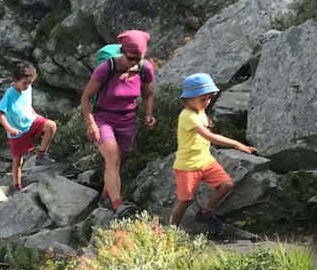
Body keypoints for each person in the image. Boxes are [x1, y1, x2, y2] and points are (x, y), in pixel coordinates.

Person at [80, 30, 157, 217]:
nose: (134, 63)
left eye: (138, 58)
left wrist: (148, 114)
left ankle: (105, 197)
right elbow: (86, 97)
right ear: (123, 51)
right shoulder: (107, 68)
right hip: (103, 118)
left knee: (119, 162)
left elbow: (148, 95)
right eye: (131, 58)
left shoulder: (145, 68)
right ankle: (118, 205)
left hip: (128, 120)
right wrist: (90, 123)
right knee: (112, 158)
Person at [170, 73, 256, 234]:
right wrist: (236, 143)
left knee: (227, 185)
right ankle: (171, 231)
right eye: (203, 99)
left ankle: (206, 213)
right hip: (187, 166)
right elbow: (209, 136)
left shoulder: (200, 110)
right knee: (185, 201)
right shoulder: (187, 115)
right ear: (189, 99)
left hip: (205, 160)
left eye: (209, 98)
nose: (207, 102)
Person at [0, 62, 57, 194]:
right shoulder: (10, 94)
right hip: (16, 131)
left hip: (31, 121)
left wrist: (35, 115)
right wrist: (9, 129)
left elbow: (27, 104)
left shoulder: (27, 88)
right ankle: (17, 187)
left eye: (30, 83)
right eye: (25, 83)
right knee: (18, 160)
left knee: (51, 125)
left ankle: (40, 156)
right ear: (16, 80)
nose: (28, 86)